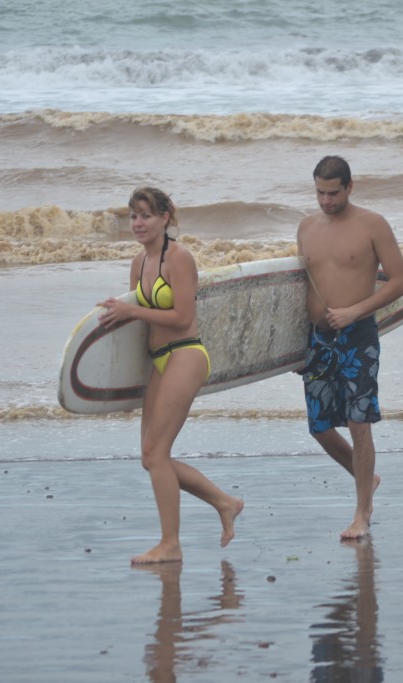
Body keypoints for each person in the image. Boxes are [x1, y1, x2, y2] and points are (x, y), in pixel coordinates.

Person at [99, 187, 243, 564]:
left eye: (146, 215)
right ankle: (224, 502)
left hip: (185, 355)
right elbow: (137, 331)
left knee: (157, 453)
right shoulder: (137, 263)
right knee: (150, 456)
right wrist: (126, 386)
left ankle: (171, 544)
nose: (138, 223)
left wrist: (132, 312)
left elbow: (182, 317)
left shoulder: (179, 259)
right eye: (133, 216)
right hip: (157, 361)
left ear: (166, 218)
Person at [296, 156, 403, 540]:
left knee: (359, 424)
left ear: (350, 187)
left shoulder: (372, 225)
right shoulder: (306, 227)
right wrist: (294, 346)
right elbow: (301, 286)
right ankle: (367, 478)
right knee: (321, 428)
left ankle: (362, 512)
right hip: (318, 338)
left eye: (333, 193)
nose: (325, 201)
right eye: (319, 193)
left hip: (358, 334)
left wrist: (354, 312)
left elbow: (399, 281)